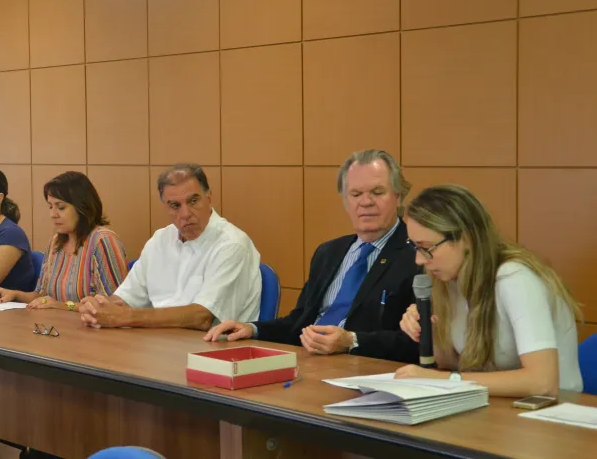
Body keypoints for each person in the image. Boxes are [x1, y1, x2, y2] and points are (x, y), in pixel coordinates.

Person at [204, 149, 419, 363]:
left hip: (363, 372)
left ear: (398, 196)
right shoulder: (329, 253)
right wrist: (252, 328)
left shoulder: (419, 257)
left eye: (377, 192)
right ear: (345, 200)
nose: (366, 202)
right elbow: (298, 323)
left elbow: (417, 343)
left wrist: (353, 341)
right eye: (355, 194)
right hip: (307, 362)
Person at [395, 185, 583, 396]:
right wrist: (428, 330)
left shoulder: (515, 279)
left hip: (552, 414)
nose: (419, 260)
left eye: (427, 248)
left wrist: (445, 380)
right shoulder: (449, 279)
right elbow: (453, 364)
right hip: (496, 407)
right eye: (415, 247)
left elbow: (542, 383)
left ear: (466, 239)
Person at [79, 163, 261, 332]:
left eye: (193, 201)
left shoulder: (232, 244)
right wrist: (99, 308)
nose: (185, 214)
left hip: (214, 352)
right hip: (159, 346)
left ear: (209, 198)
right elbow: (125, 299)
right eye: (175, 205)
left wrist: (125, 317)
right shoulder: (160, 240)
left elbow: (202, 317)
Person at [0, 171, 128, 311]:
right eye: (50, 207)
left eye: (61, 207)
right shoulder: (56, 241)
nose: (53, 214)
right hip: (56, 326)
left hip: (93, 332)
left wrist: (62, 306)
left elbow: (113, 306)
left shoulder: (103, 241)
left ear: (82, 207)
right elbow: (41, 296)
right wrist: (14, 295)